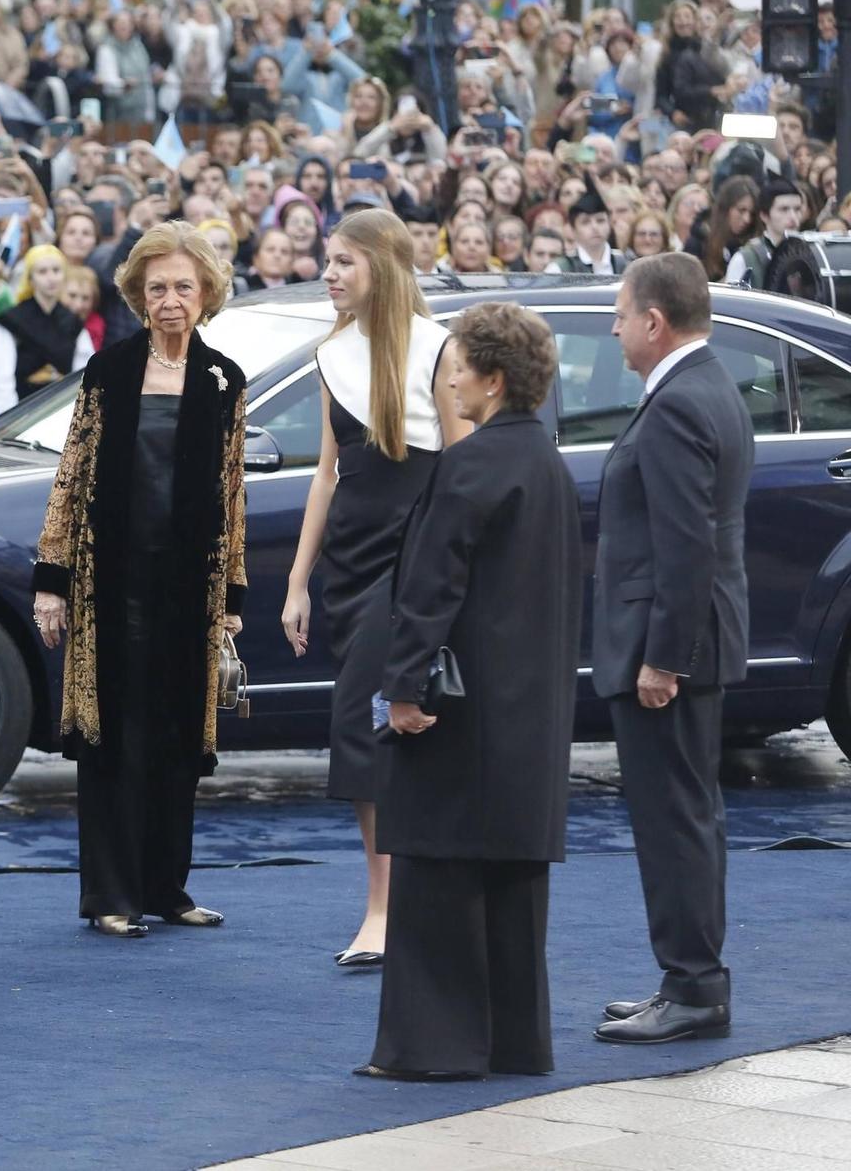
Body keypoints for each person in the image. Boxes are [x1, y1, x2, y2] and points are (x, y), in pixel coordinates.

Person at [359, 302, 582, 1081]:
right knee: (514, 886)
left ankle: (435, 1047)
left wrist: (406, 686)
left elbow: (430, 587)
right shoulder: (548, 463)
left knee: (436, 875)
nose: (447, 376)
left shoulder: (473, 463)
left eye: (457, 364)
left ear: (491, 380)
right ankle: (514, 1043)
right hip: (529, 712)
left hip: (462, 711)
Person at [32, 222, 248, 938]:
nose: (170, 300)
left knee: (178, 736)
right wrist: (51, 578)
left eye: (184, 286)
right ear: (137, 296)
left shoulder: (224, 380)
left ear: (207, 292)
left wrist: (232, 598)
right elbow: (70, 474)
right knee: (116, 735)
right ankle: (111, 894)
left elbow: (232, 492)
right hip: (109, 583)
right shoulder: (110, 370)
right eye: (157, 288)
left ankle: (166, 887)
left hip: (189, 585)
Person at [282, 209, 470, 970]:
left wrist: (452, 575)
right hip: (351, 565)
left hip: (412, 559)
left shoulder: (438, 348)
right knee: (362, 731)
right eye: (327, 261)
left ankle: (394, 909)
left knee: (381, 727)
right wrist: (297, 578)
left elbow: (461, 472)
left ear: (382, 267)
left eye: (343, 262)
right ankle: (385, 902)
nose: (328, 273)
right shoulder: (332, 353)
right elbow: (326, 474)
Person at [592, 254, 751, 1046]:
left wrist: (664, 659)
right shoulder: (705, 384)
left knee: (676, 818)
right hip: (685, 643)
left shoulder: (682, 401)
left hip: (670, 654)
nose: (615, 329)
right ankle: (687, 978)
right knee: (687, 814)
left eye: (621, 315)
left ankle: (692, 985)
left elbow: (684, 548)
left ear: (655, 322)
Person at [0, 244, 94, 416]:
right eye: (42, 272)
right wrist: (9, 419)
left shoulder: (73, 323)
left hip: (62, 414)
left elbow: (86, 375)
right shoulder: (11, 321)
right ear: (30, 278)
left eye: (56, 270)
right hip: (18, 415)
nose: (51, 278)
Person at [726, 177, 805, 287]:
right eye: (784, 209)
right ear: (764, 215)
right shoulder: (745, 258)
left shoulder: (809, 253)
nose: (793, 217)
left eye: (797, 209)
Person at [550, 183, 629, 275]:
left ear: (610, 223)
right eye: (585, 222)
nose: (595, 227)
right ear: (573, 230)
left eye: (600, 220)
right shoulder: (559, 269)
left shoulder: (626, 264)